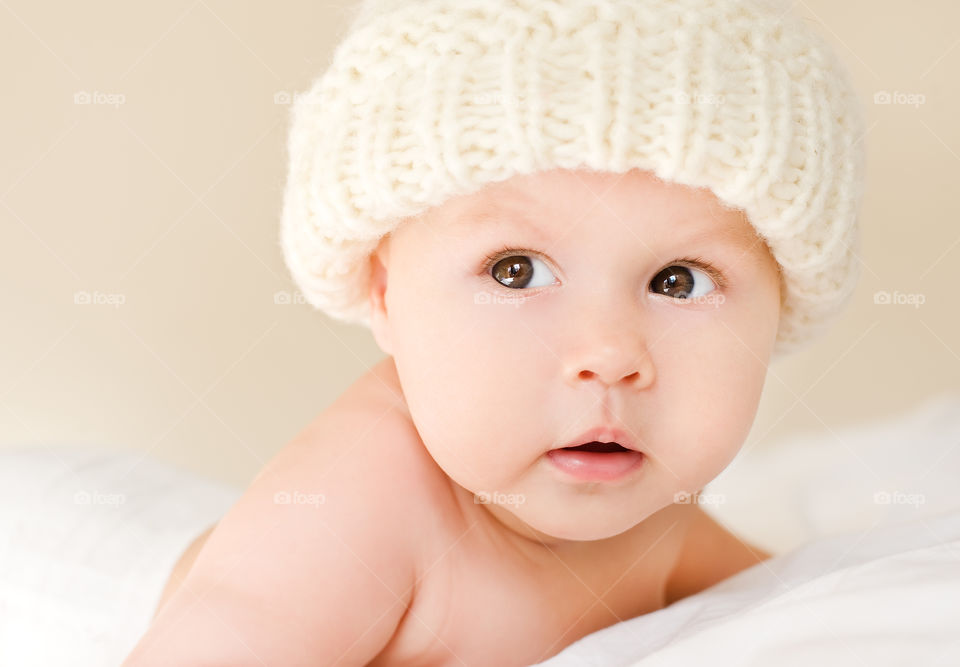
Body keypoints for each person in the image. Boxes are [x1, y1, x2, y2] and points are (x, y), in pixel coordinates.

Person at [123, 0, 866, 664]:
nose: (608, 355)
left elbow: (809, 599)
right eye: (516, 272)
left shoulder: (662, 513)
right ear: (385, 295)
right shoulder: (354, 506)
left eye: (679, 281)